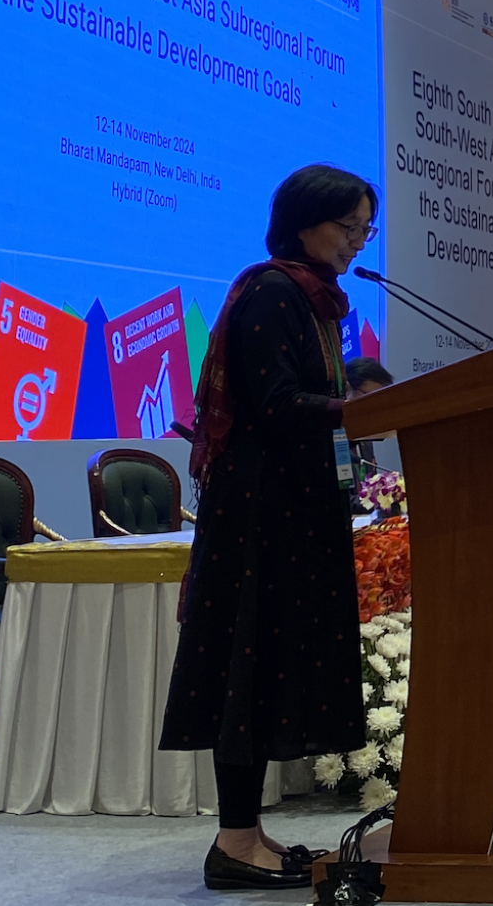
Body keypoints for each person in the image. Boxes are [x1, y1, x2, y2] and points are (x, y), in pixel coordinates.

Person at [159, 164, 378, 891]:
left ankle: (247, 834)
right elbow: (278, 406)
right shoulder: (271, 291)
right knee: (247, 668)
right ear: (303, 221)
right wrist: (363, 410)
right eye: (349, 227)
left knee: (268, 668)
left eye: (364, 229)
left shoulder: (314, 301)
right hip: (259, 517)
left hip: (295, 510)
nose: (358, 241)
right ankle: (232, 842)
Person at [345, 356, 394, 488]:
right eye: (371, 398)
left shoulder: (366, 439)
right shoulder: (330, 438)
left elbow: (368, 488)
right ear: (347, 390)